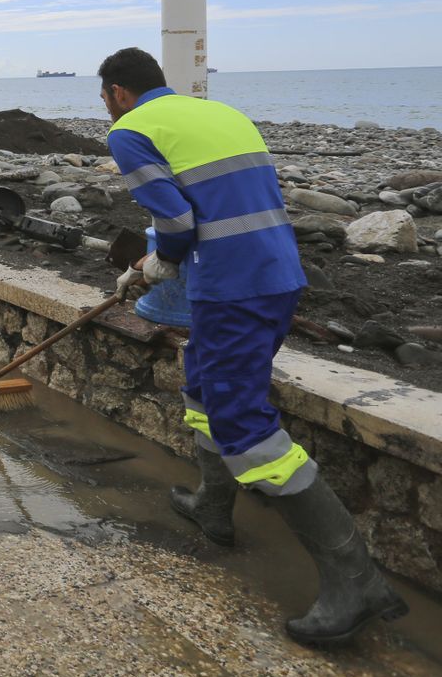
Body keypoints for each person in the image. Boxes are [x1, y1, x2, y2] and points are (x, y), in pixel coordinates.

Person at [99, 47, 407, 646]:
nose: (110, 111)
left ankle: (356, 579)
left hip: (233, 289)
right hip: (276, 276)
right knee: (203, 389)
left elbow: (178, 222)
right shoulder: (224, 114)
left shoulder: (131, 131)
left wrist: (158, 261)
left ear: (116, 94)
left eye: (107, 102)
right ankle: (214, 505)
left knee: (242, 422)